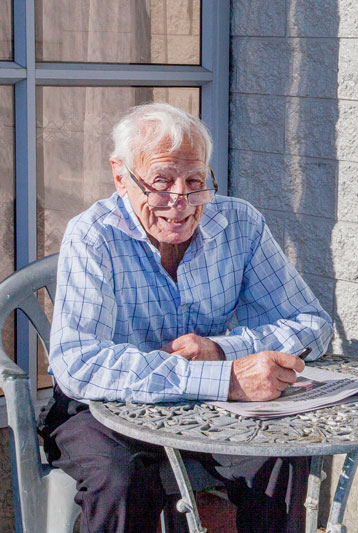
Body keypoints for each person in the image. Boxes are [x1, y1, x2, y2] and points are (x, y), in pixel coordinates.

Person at [38, 102, 333, 533]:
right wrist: (224, 378)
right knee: (120, 478)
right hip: (100, 409)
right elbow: (78, 365)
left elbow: (311, 324)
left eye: (195, 181)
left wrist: (220, 350)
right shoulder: (93, 235)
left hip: (205, 409)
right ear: (122, 177)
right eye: (161, 181)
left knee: (280, 449)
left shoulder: (240, 224)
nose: (180, 201)